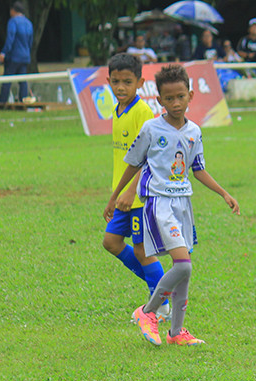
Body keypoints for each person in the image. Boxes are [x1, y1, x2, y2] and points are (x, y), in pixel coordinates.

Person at [104, 64, 240, 347]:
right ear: (160, 100)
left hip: (183, 205)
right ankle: (148, 312)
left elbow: (198, 169)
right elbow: (133, 164)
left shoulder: (194, 131)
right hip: (159, 204)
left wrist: (224, 193)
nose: (176, 103)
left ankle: (177, 332)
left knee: (184, 271)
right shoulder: (151, 129)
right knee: (184, 266)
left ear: (190, 95)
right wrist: (115, 196)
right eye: (169, 98)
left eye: (181, 96)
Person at [98, 53, 171, 324]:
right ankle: (163, 290)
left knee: (142, 250)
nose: (120, 87)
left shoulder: (142, 112)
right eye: (115, 81)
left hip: (140, 195)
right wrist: (114, 196)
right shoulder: (117, 111)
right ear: (108, 81)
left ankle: (158, 304)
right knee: (111, 242)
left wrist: (131, 191)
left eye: (127, 82)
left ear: (140, 82)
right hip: (123, 196)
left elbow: (149, 154)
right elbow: (124, 160)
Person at [0, 2, 33, 106]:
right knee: (22, 80)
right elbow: (30, 41)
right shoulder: (28, 23)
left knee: (8, 78)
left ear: (13, 10)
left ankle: (2, 100)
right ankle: (23, 99)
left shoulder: (13, 22)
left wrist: (3, 53)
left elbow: (10, 39)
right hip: (25, 55)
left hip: (14, 55)